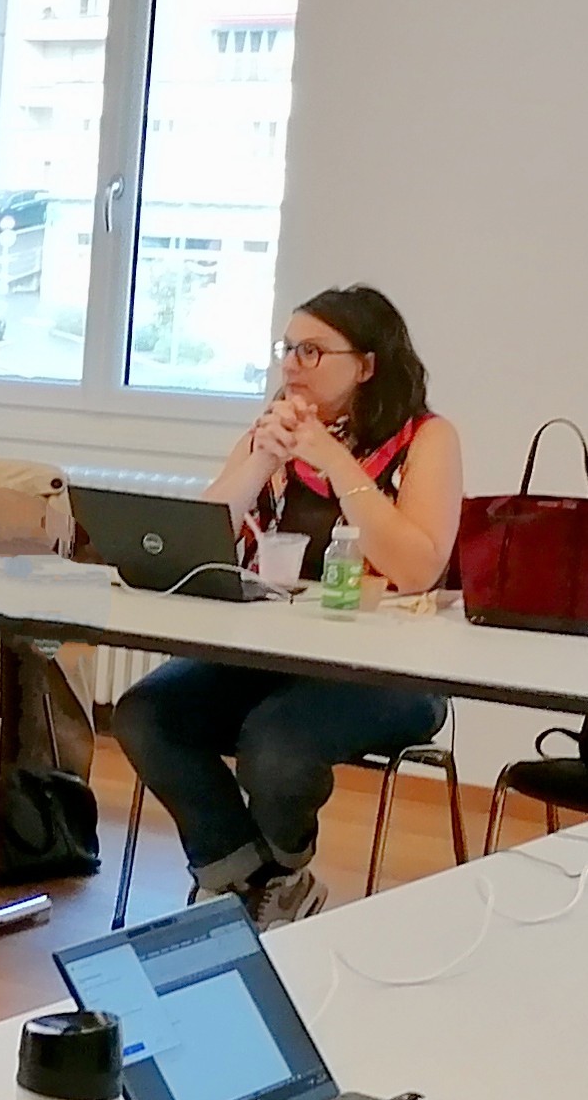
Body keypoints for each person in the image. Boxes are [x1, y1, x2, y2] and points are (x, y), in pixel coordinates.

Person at [114, 286, 466, 931]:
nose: (293, 365)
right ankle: (245, 877)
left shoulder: (427, 438)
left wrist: (334, 461)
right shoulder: (273, 427)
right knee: (146, 713)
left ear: (366, 366)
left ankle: (268, 879)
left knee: (275, 742)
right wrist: (261, 460)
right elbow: (203, 540)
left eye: (312, 350)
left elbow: (419, 568)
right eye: (288, 350)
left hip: (389, 669)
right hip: (276, 651)